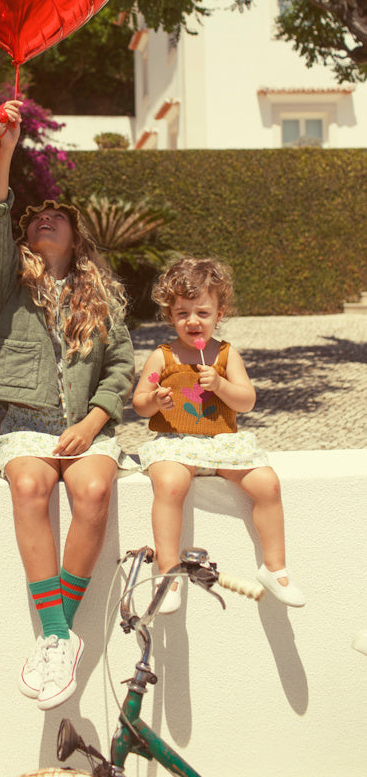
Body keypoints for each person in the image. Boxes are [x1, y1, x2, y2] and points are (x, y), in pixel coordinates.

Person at [0, 100, 136, 711]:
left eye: (55, 217)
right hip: (26, 425)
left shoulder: (103, 296)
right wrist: (7, 148)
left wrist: (95, 420)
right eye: (36, 217)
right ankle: (59, 638)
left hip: (86, 428)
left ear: (75, 237)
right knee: (29, 490)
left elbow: (121, 364)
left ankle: (53, 633)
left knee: (94, 491)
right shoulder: (7, 285)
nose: (43, 219)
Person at [132, 256, 305, 612]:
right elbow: (138, 404)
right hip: (177, 443)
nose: (192, 321)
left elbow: (247, 401)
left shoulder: (226, 354)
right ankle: (167, 573)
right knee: (170, 485)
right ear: (170, 316)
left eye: (202, 313)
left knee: (268, 484)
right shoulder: (162, 358)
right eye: (182, 314)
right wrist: (156, 399)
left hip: (221, 443)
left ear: (219, 313)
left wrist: (222, 385)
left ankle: (276, 568)